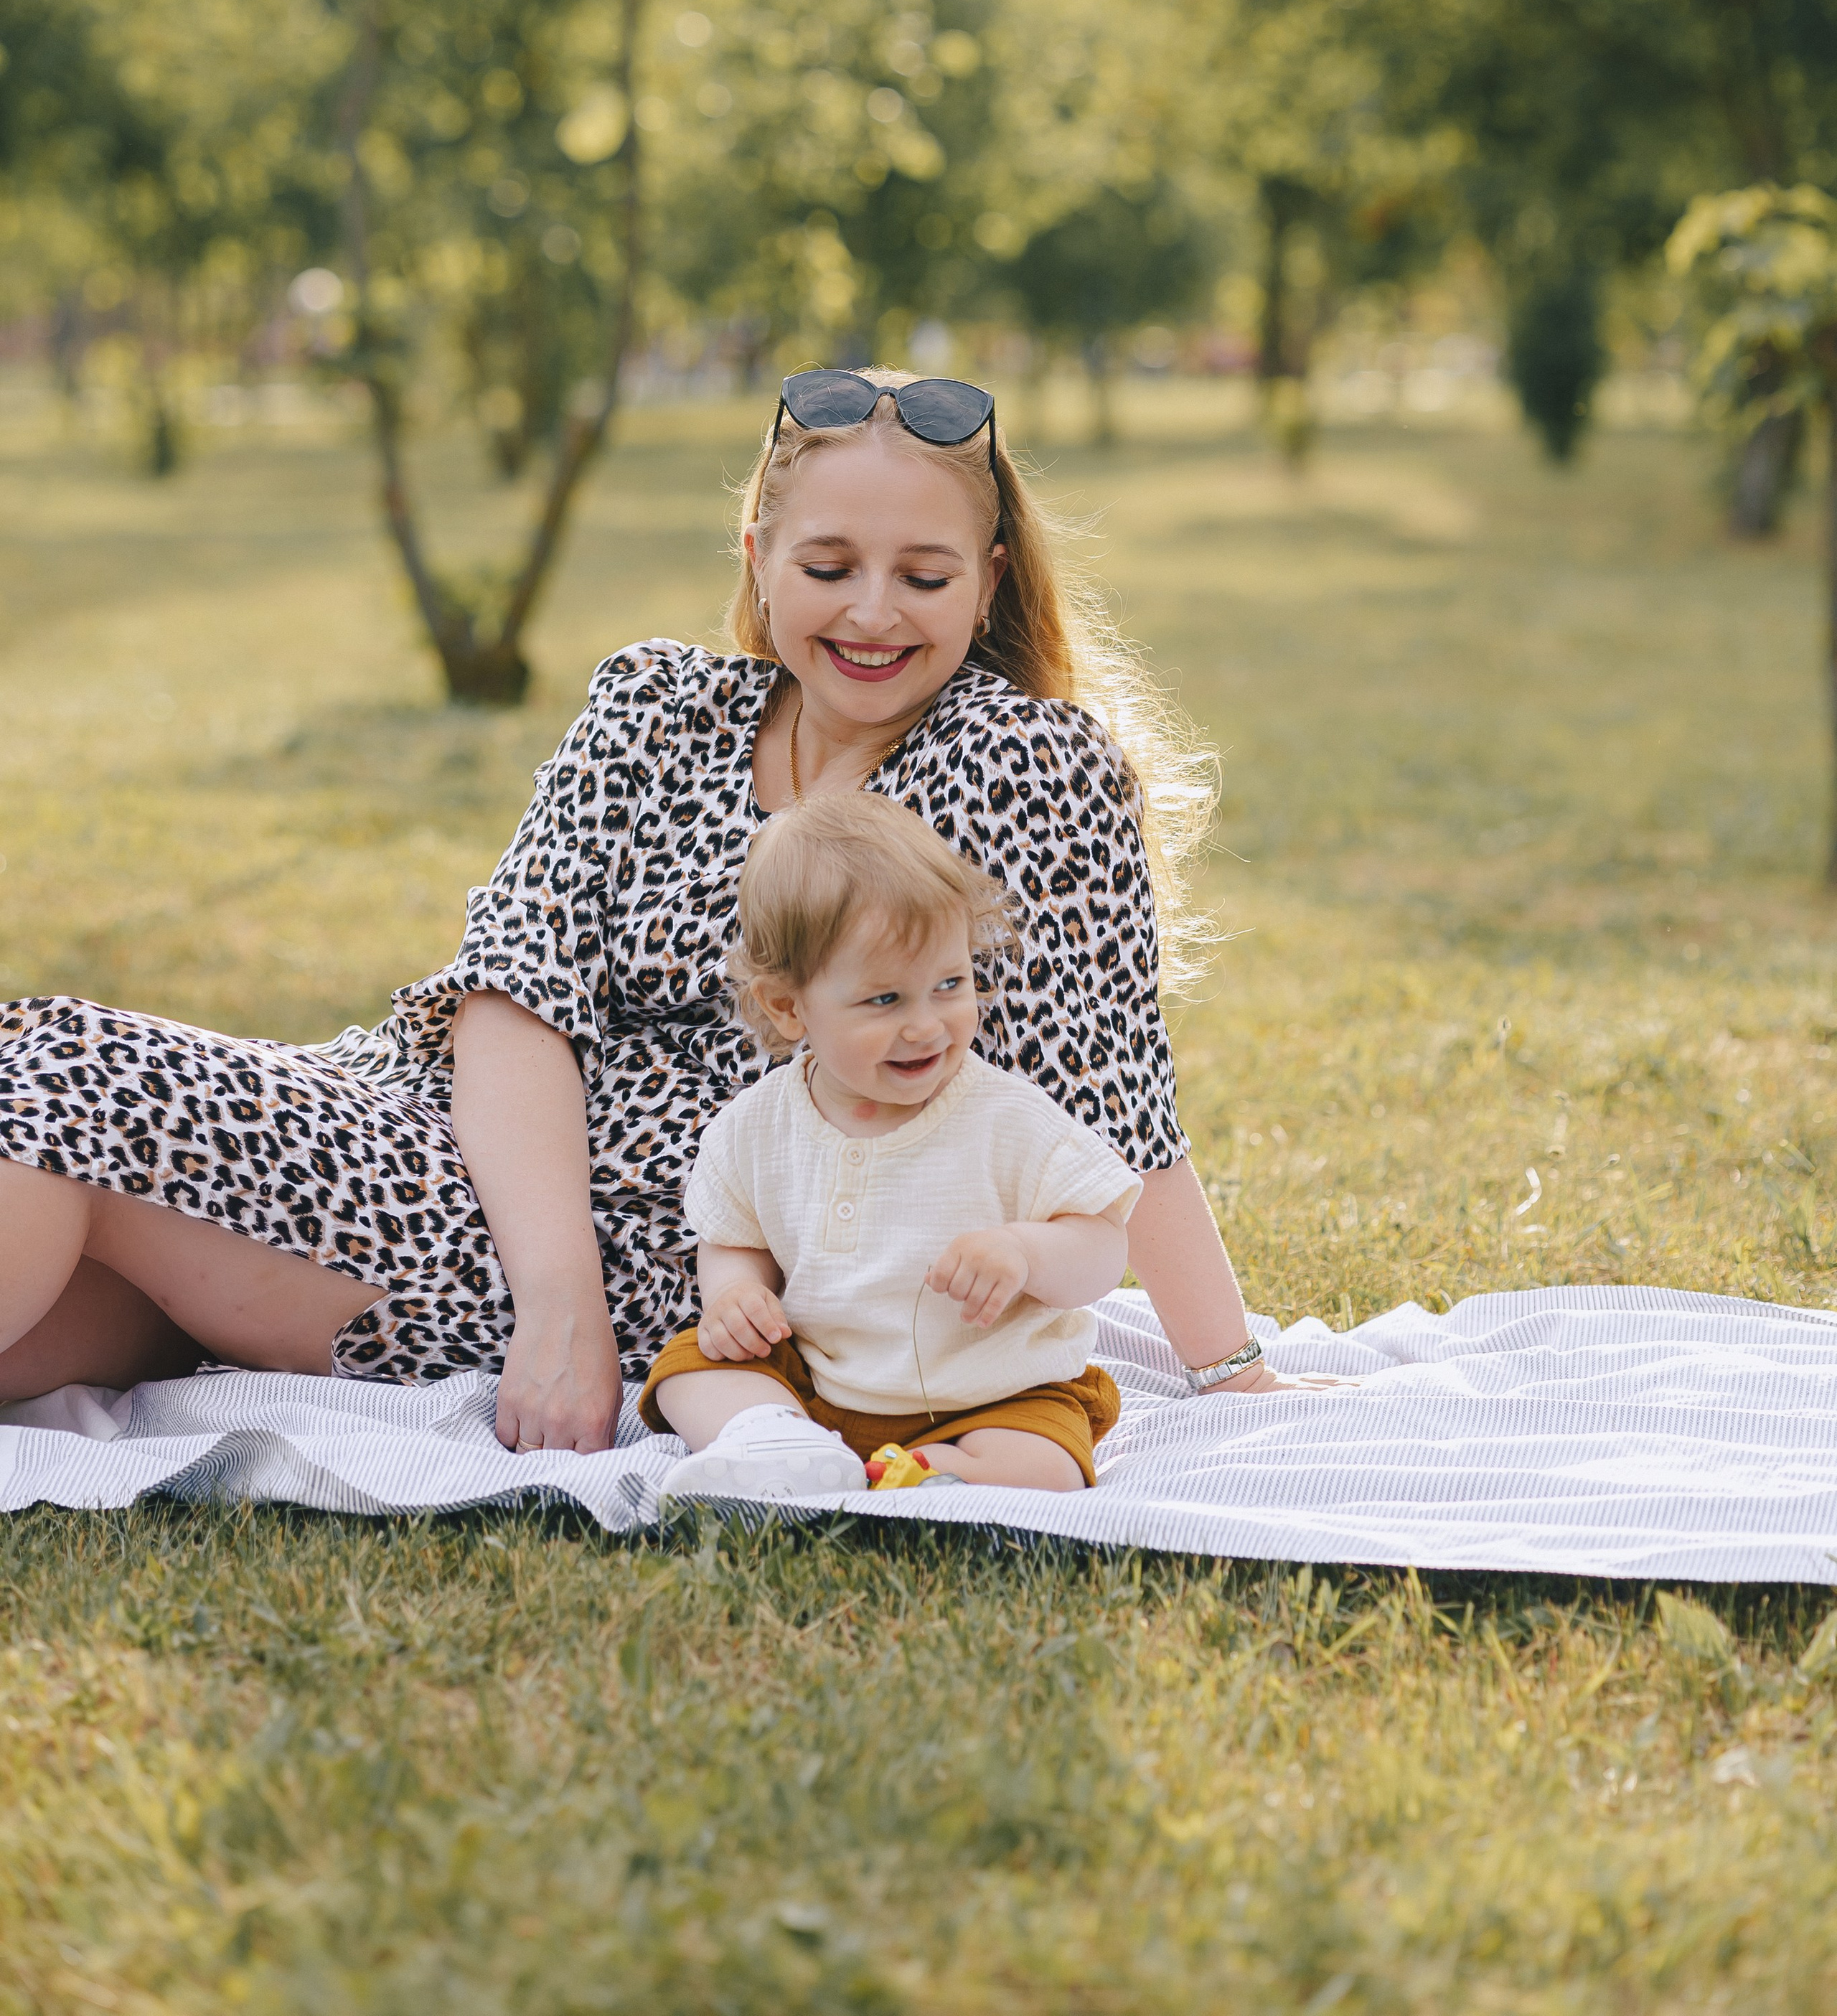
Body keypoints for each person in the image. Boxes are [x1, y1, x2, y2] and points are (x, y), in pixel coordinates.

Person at [0, 366, 1327, 1445]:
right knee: (52, 1199)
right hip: (450, 1150)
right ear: (759, 560)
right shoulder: (655, 706)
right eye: (828, 566)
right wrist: (554, 1302)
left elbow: (1115, 1104)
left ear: (987, 577)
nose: (873, 613)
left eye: (923, 577)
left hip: (671, 1249)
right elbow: (513, 993)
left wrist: (1230, 1373)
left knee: (46, 1072)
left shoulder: (1023, 765)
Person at [646, 789, 1140, 1502]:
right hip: (820, 1387)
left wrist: (1025, 1251)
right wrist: (735, 1295)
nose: (926, 1025)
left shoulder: (1005, 1118)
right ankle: (771, 1437)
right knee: (690, 1368)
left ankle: (943, 1474)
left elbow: (1102, 1245)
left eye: (950, 984)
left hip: (993, 1394)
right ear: (788, 1007)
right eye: (885, 1000)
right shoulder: (757, 1126)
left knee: (1045, 1460)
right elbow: (735, 1238)